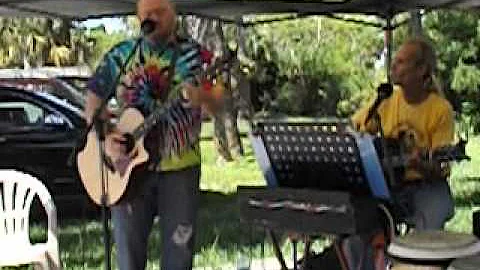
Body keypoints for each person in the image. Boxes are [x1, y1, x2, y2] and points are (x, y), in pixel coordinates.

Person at [84, 0, 223, 269]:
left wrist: (201, 96)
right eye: (146, 13)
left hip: (180, 169)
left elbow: (220, 101)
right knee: (129, 258)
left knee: (178, 256)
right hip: (126, 172)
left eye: (160, 11)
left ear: (174, 13)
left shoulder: (197, 56)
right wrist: (106, 136)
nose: (152, 18)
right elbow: (93, 100)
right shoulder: (122, 54)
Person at [346, 38, 456, 269]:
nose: (393, 66)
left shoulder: (440, 109)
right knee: (356, 222)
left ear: (422, 69)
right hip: (387, 187)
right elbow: (355, 130)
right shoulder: (386, 101)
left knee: (432, 213)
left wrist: (421, 165)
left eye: (401, 61)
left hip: (426, 185)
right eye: (394, 61)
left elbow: (440, 170)